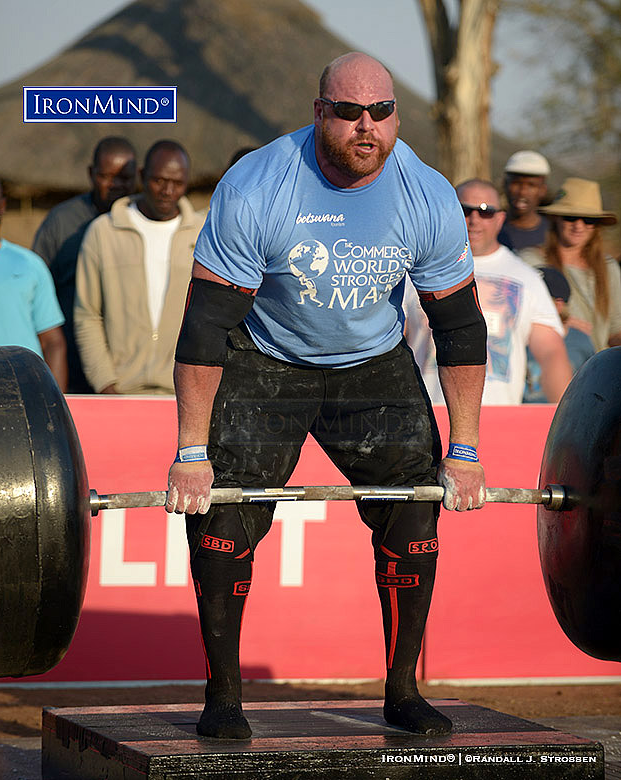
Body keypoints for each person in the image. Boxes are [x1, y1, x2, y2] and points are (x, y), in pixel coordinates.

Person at [165, 52, 488, 740]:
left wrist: (464, 450)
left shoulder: (425, 194)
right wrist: (191, 452)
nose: (365, 127)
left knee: (414, 515)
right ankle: (223, 697)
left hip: (371, 365)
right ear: (320, 113)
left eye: (381, 112)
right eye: (347, 112)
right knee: (223, 521)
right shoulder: (258, 186)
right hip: (266, 358)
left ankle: (403, 692)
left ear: (396, 115)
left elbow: (459, 327)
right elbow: (205, 328)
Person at [404, 179, 572, 405]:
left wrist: (563, 422)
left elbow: (551, 352)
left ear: (500, 218)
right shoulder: (417, 271)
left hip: (498, 421)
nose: (474, 220)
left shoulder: (526, 278)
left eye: (486, 212)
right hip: (427, 415)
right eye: (465, 210)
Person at [74, 140, 206, 394]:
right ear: (142, 176)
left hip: (184, 396)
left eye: (177, 183)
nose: (168, 190)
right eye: (159, 180)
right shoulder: (103, 233)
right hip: (119, 394)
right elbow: (87, 315)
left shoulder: (203, 234)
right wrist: (106, 384)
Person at [33, 137, 137, 393]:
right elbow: (36, 292)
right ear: (91, 174)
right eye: (106, 176)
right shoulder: (61, 223)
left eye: (125, 178)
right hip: (72, 364)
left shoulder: (146, 223)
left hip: (131, 371)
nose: (116, 185)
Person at [0, 169, 67, 389]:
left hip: (23, 391)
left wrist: (57, 403)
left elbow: (52, 342)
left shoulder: (28, 264)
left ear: (2, 208)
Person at [522, 178, 621, 352]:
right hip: (546, 363)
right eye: (570, 217)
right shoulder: (530, 262)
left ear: (597, 226)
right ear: (555, 219)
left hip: (594, 369)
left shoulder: (608, 267)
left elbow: (615, 328)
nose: (578, 226)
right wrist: (561, 322)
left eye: (588, 220)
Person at [523, 266, 594, 402]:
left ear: (558, 305)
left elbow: (591, 388)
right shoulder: (518, 338)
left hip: (564, 418)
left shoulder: (580, 341)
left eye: (535, 299)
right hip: (518, 417)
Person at [498, 150, 551, 251]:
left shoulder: (552, 235)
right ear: (505, 185)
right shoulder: (489, 229)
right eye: (516, 183)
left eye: (531, 185)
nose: (522, 192)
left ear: (543, 190)